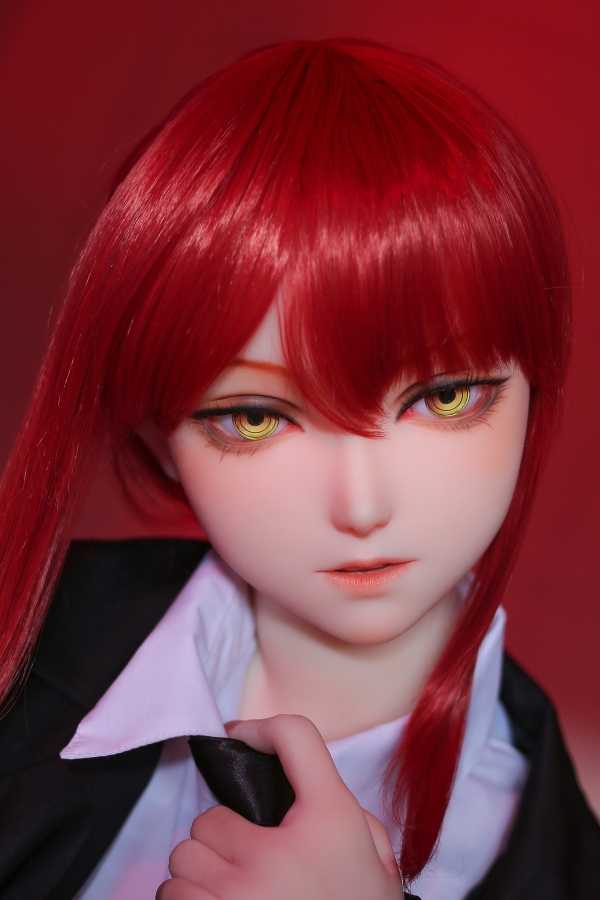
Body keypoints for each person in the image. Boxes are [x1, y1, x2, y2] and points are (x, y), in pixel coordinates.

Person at [0, 36, 598, 900]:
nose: (362, 505)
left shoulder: (548, 851)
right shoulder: (31, 648)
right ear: (159, 434)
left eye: (443, 397)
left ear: (534, 388)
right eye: (256, 416)